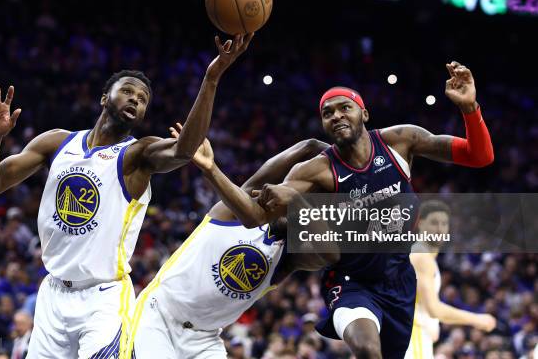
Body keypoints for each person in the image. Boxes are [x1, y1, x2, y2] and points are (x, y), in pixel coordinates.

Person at [0, 33, 253, 359]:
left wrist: (212, 77)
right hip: (52, 291)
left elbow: (185, 149)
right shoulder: (56, 142)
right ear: (104, 98)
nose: (136, 99)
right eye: (127, 91)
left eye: (143, 98)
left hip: (102, 298)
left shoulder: (137, 154)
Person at [196, 61, 494, 358]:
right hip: (350, 281)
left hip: (399, 282)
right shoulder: (316, 170)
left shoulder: (401, 141)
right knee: (366, 348)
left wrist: (470, 109)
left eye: (344, 108)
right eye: (328, 113)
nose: (336, 115)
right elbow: (264, 213)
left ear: (364, 113)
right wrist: (221, 175)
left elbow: (479, 156)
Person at [130, 124, 337, 358]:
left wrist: (302, 202)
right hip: (159, 315)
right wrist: (325, 152)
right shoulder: (237, 212)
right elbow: (304, 148)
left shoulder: (290, 259)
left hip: (204, 339)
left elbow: (331, 253)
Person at [404, 200, 496, 359]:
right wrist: (477, 319)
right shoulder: (421, 256)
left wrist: (431, 324)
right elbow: (434, 309)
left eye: (444, 223)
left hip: (416, 335)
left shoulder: (424, 256)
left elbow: (420, 304)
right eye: (434, 223)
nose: (439, 229)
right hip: (413, 336)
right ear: (420, 224)